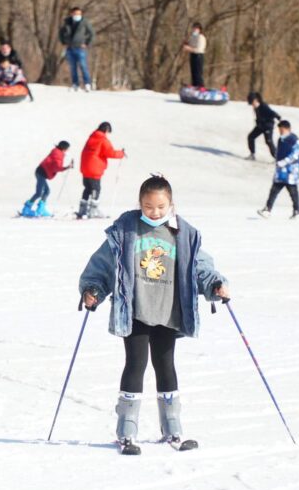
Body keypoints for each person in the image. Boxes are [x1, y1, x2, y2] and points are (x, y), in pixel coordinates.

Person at [79, 175, 229, 455]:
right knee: (136, 365)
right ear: (140, 203)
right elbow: (103, 265)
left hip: (168, 311)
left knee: (166, 365)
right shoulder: (125, 231)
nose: (155, 212)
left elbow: (200, 267)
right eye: (148, 206)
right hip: (135, 311)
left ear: (171, 204)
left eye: (160, 206)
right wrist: (93, 290)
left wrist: (215, 285)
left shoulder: (183, 234)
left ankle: (172, 429)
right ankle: (126, 432)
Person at [78, 122, 125, 219]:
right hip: (94, 169)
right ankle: (93, 211)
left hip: (85, 167)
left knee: (87, 189)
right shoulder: (102, 140)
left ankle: (82, 210)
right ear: (106, 129)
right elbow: (110, 152)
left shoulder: (91, 137)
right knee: (96, 189)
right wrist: (121, 153)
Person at [258, 120, 299, 219]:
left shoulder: (294, 140)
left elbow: (295, 155)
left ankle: (296, 211)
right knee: (274, 190)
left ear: (287, 129)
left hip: (290, 172)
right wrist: (277, 161)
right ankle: (267, 210)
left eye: (281, 129)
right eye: (279, 129)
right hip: (281, 172)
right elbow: (278, 153)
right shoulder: (281, 139)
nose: (280, 131)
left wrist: (285, 161)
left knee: (293, 192)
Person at [21, 141, 72, 218]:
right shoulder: (58, 154)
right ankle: (26, 209)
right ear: (64, 148)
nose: (68, 150)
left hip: (41, 173)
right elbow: (57, 167)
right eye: (67, 149)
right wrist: (67, 167)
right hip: (41, 173)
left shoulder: (57, 152)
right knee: (39, 193)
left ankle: (40, 208)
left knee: (46, 191)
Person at [59, 6, 95, 92]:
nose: (77, 15)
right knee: (73, 67)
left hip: (80, 48)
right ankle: (75, 84)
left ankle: (87, 84)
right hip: (70, 48)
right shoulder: (67, 22)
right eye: (75, 14)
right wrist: (63, 42)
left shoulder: (85, 22)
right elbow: (60, 33)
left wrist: (86, 43)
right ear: (71, 14)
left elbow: (92, 34)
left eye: (79, 14)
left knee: (83, 66)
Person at [246, 92, 280, 160]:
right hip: (260, 126)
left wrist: (278, 117)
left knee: (268, 141)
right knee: (251, 137)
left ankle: (277, 158)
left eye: (252, 103)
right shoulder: (256, 107)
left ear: (256, 100)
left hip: (268, 126)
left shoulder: (263, 106)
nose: (252, 105)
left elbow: (271, 112)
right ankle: (252, 155)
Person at [181, 22, 207, 88]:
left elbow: (199, 49)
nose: (194, 30)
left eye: (196, 28)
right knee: (193, 73)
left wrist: (188, 48)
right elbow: (190, 44)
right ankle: (195, 86)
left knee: (198, 73)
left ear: (199, 29)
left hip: (199, 56)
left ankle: (200, 87)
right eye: (194, 28)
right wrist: (186, 44)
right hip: (193, 55)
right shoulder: (193, 37)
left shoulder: (201, 37)